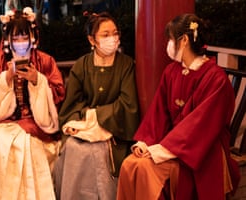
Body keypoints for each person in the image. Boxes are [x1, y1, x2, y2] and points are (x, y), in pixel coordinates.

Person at [117, 13, 240, 200]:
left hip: (203, 151)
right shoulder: (171, 71)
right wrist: (146, 143)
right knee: (129, 164)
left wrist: (160, 150)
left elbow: (201, 127)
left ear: (183, 41)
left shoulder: (216, 79)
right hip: (173, 144)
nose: (168, 44)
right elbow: (159, 113)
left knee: (144, 169)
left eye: (171, 39)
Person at [0, 7, 65, 199]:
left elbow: (59, 95)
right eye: (15, 38)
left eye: (24, 37)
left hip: (36, 123)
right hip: (2, 122)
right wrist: (5, 79)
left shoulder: (45, 61)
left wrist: (38, 81)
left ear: (33, 37)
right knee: (1, 142)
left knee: (30, 145)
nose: (20, 43)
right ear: (7, 39)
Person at [53, 11, 140, 200]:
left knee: (98, 152)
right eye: (106, 35)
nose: (113, 39)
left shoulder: (126, 65)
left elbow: (128, 104)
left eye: (115, 33)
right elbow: (71, 106)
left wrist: (97, 117)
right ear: (92, 40)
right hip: (83, 129)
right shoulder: (81, 65)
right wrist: (87, 119)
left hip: (114, 132)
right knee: (75, 148)